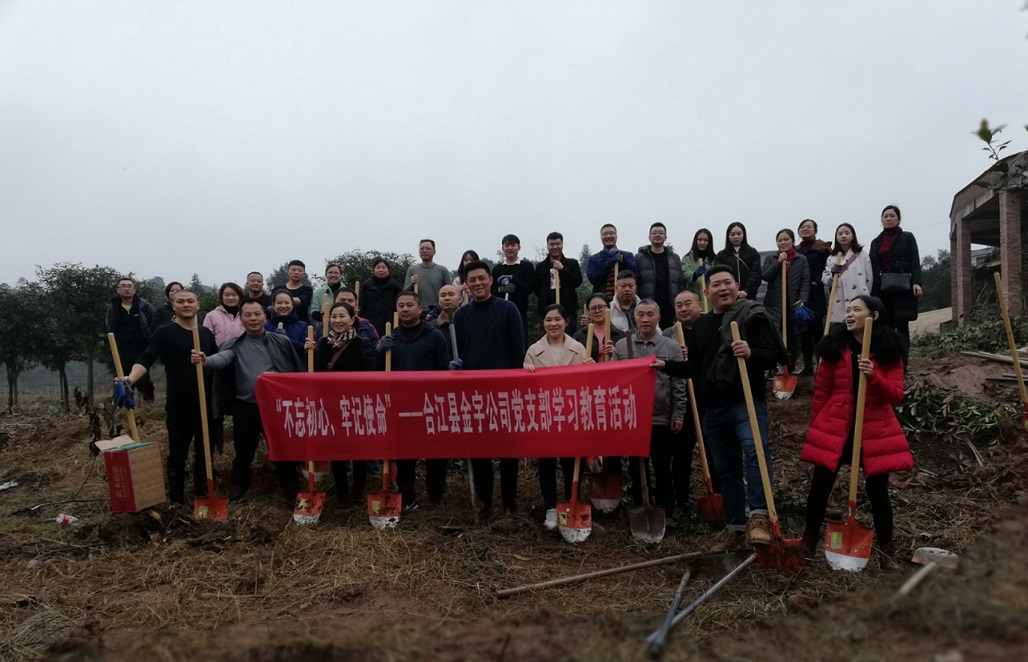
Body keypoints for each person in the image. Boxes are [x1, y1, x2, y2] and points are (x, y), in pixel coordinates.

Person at [653, 266, 787, 549]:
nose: (723, 288)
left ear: (737, 286)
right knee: (726, 470)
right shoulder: (702, 326)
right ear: (707, 292)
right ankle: (735, 526)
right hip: (713, 409)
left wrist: (751, 353)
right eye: (717, 284)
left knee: (755, 454)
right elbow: (694, 368)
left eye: (728, 283)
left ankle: (759, 517)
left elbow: (773, 355)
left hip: (745, 402)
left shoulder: (752, 315)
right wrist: (666, 365)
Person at [800, 295, 911, 569]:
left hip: (872, 429)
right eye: (848, 310)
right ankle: (808, 543)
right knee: (819, 487)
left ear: (874, 316)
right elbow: (822, 392)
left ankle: (887, 551)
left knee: (878, 492)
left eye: (856, 309)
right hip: (836, 426)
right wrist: (818, 428)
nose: (849, 314)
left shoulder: (889, 349)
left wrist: (874, 376)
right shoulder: (834, 348)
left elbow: (895, 394)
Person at [193, 299, 302, 502]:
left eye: (257, 314)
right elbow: (223, 358)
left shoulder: (281, 342)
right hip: (246, 407)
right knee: (243, 451)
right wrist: (207, 360)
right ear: (241, 320)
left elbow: (294, 369)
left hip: (276, 407)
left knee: (281, 449)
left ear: (265, 317)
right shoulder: (234, 345)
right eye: (248, 315)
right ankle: (237, 489)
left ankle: (291, 491)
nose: (253, 318)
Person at [118, 290, 216, 503]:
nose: (186, 305)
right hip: (179, 402)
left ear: (198, 305)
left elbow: (217, 361)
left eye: (190, 301)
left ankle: (203, 493)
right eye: (181, 301)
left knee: (205, 451)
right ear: (174, 306)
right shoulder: (164, 333)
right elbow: (146, 358)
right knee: (178, 451)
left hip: (205, 400)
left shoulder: (205, 333)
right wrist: (130, 378)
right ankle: (176, 500)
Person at [453, 260, 526, 518]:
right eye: (472, 280)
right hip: (474, 393)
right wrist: (456, 367)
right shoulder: (461, 315)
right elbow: (459, 350)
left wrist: (517, 387)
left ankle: (509, 503)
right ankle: (484, 502)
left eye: (481, 278)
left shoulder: (508, 310)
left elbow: (518, 350)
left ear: (490, 280)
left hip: (505, 392)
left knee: (508, 451)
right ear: (466, 284)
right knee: (479, 449)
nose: (477, 283)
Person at [612, 300, 687, 524]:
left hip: (660, 417)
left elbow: (678, 384)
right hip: (633, 418)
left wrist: (678, 413)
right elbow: (613, 380)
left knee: (662, 464)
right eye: (641, 314)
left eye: (650, 314)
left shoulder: (671, 347)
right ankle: (640, 506)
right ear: (635, 318)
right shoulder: (622, 347)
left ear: (659, 318)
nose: (645, 319)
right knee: (636, 466)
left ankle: (666, 510)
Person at [377, 290, 451, 507]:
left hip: (429, 404)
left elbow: (443, 370)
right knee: (404, 452)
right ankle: (407, 496)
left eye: (410, 305)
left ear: (419, 309)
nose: (405, 309)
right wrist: (380, 352)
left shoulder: (434, 336)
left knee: (434, 452)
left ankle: (435, 496)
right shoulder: (391, 338)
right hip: (400, 404)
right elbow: (379, 373)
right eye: (401, 306)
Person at [524, 304, 590, 530]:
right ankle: (551, 507)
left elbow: (588, 383)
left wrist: (592, 369)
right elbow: (526, 386)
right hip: (545, 415)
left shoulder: (579, 349)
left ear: (566, 322)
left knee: (572, 462)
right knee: (547, 463)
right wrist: (527, 373)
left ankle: (572, 501)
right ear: (543, 323)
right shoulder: (533, 350)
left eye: (557, 319)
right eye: (548, 320)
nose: (553, 324)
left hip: (571, 415)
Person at [306, 301, 377, 504]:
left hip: (356, 405)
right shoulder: (323, 344)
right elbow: (315, 373)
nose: (337, 321)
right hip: (332, 405)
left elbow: (370, 373)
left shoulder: (361, 343)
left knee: (359, 449)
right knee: (336, 448)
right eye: (334, 317)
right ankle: (342, 492)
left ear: (352, 319)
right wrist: (309, 353)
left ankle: (358, 491)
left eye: (342, 316)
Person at [662, 289, 720, 516]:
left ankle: (718, 494)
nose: (684, 309)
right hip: (680, 402)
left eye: (688, 304)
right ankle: (681, 500)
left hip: (708, 399)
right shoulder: (668, 335)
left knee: (713, 450)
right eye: (679, 305)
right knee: (680, 454)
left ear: (699, 305)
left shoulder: (711, 328)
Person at [869, 205, 922, 357]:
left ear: (898, 220)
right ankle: (890, 361)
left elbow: (915, 262)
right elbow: (872, 267)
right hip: (883, 289)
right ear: (881, 220)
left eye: (892, 216)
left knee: (902, 325)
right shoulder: (876, 242)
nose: (888, 219)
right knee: (886, 326)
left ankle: (903, 362)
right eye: (885, 216)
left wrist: (917, 282)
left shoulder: (907, 237)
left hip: (903, 288)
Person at [761, 228, 811, 371]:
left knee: (793, 336)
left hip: (793, 304)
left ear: (793, 241)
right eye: (780, 240)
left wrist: (802, 300)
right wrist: (778, 262)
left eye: (786, 239)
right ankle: (774, 367)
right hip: (774, 304)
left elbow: (805, 281)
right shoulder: (771, 258)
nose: (783, 242)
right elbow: (766, 276)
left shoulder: (801, 259)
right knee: (774, 335)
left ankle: (790, 367)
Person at [105, 277, 157, 401]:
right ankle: (125, 407)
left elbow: (154, 323)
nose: (127, 289)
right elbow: (109, 327)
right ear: (117, 290)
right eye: (123, 286)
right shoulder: (113, 308)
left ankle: (149, 406)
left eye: (130, 286)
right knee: (122, 380)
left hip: (141, 350)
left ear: (134, 289)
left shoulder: (144, 306)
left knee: (144, 381)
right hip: (121, 351)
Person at [795, 219, 832, 375]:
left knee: (817, 332)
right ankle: (808, 365)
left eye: (809, 227)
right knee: (803, 333)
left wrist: (817, 282)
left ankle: (821, 365)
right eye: (802, 227)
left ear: (815, 230)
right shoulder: (796, 250)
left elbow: (827, 268)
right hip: (800, 295)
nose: (805, 229)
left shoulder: (822, 249)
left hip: (816, 294)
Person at [823, 223, 873, 329]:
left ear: (853, 235)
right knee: (840, 329)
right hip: (839, 299)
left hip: (858, 296)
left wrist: (865, 295)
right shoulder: (832, 258)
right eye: (840, 234)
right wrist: (832, 275)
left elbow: (869, 278)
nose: (843, 236)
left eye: (847, 233)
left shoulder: (862, 255)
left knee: (859, 327)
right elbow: (826, 279)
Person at [635, 222, 683, 329]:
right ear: (649, 237)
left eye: (661, 233)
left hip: (670, 305)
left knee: (669, 333)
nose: (657, 235)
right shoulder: (640, 257)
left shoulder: (674, 258)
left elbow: (680, 282)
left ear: (665, 237)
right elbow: (636, 282)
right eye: (654, 233)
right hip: (648, 304)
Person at [534, 232, 583, 334]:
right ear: (547, 246)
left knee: (568, 338)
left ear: (562, 244)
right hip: (547, 309)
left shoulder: (572, 263)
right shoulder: (541, 267)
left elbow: (577, 281)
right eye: (552, 244)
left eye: (558, 244)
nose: (555, 247)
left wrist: (563, 269)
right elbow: (537, 289)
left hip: (568, 309)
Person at [491, 234, 535, 344]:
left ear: (519, 247)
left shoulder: (526, 267)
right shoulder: (497, 269)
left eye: (513, 245)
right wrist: (500, 290)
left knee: (520, 341)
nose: (510, 248)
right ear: (502, 248)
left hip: (520, 311)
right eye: (507, 245)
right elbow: (491, 292)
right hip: (500, 312)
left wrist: (513, 279)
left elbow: (529, 288)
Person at [714, 222, 762, 301]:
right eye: (732, 234)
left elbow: (756, 274)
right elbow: (719, 275)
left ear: (744, 234)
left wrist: (746, 290)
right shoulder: (721, 255)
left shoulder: (752, 253)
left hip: (749, 296)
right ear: (728, 236)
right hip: (728, 296)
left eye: (739, 234)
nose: (736, 237)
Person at [587, 223, 638, 296]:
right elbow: (593, 280)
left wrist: (622, 261)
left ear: (616, 236)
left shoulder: (627, 256)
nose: (608, 236)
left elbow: (635, 275)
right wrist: (608, 267)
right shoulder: (594, 259)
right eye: (605, 234)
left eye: (611, 233)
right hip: (602, 299)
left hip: (624, 298)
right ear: (601, 237)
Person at [359, 257, 402, 337]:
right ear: (374, 270)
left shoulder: (395, 287)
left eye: (383, 267)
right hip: (370, 323)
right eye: (378, 268)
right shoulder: (366, 286)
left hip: (391, 323)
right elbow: (361, 304)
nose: (381, 270)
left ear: (388, 270)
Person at [573, 293, 623, 363]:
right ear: (589, 312)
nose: (597, 311)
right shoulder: (579, 336)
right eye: (593, 308)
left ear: (608, 308)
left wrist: (616, 354)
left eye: (601, 307)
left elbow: (627, 360)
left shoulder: (620, 335)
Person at [404, 239, 451, 310]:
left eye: (428, 248)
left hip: (438, 310)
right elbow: (405, 292)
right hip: (417, 311)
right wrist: (412, 284)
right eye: (422, 249)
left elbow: (449, 291)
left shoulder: (442, 270)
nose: (424, 251)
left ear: (434, 252)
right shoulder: (412, 270)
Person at [266, 289, 309, 355]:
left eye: (287, 303)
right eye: (279, 303)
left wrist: (286, 339)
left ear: (292, 305)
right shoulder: (266, 327)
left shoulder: (302, 326)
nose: (283, 306)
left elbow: (304, 348)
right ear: (273, 305)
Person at [203, 283, 245, 348]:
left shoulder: (245, 315)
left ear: (239, 297)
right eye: (226, 295)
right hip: (219, 353)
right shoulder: (211, 316)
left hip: (243, 352)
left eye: (234, 295)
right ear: (221, 296)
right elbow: (206, 339)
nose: (230, 298)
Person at [681, 228, 717, 303]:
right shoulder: (687, 258)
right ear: (695, 241)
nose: (702, 243)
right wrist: (695, 274)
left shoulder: (715, 260)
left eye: (705, 240)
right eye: (700, 240)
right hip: (694, 300)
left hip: (711, 300)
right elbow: (685, 274)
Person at [428, 283, 463, 358]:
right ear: (439, 301)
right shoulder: (430, 328)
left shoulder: (469, 322)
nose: (447, 298)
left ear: (460, 299)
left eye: (451, 294)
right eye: (443, 295)